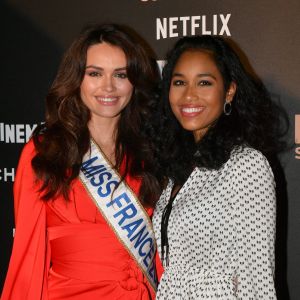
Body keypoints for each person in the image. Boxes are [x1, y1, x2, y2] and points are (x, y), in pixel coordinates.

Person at [1, 23, 162, 300]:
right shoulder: (45, 151)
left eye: (121, 74)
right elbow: (29, 252)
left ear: (134, 81)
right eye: (95, 73)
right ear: (77, 78)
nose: (108, 87)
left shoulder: (151, 152)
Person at [152, 35, 286, 299]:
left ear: (229, 90)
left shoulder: (246, 166)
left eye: (204, 82)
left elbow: (257, 277)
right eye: (179, 82)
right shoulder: (178, 167)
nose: (189, 94)